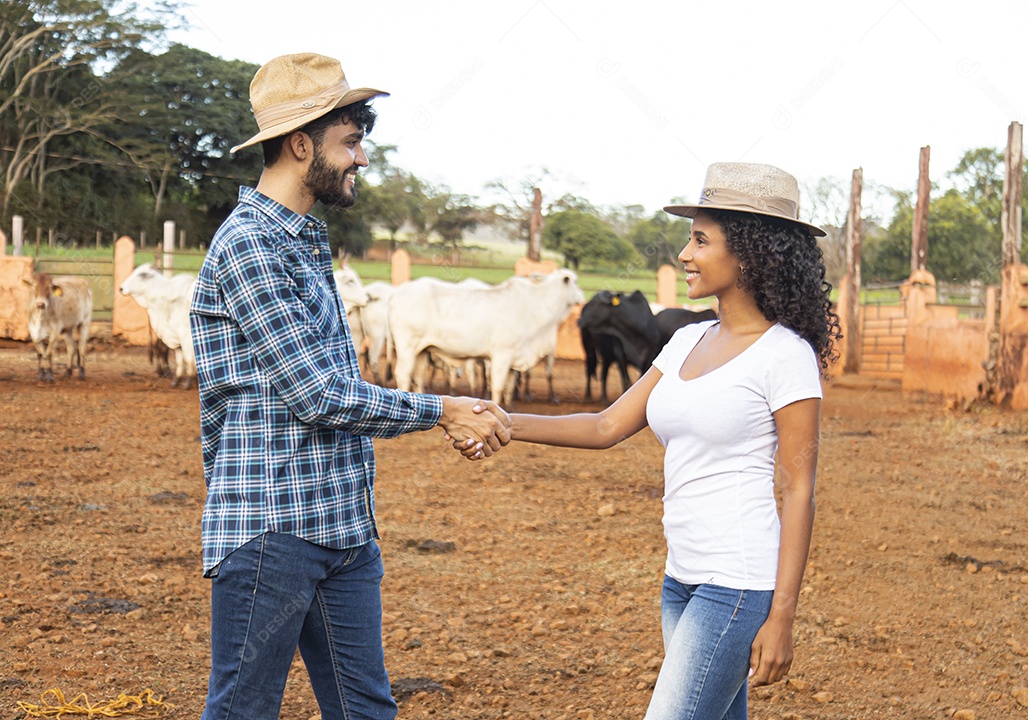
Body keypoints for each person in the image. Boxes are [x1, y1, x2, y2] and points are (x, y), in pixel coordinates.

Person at [189, 53, 510, 720]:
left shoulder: (304, 240)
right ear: (301, 143)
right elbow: (318, 393)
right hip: (271, 528)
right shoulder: (250, 245)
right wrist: (442, 409)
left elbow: (334, 386)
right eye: (351, 142)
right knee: (243, 711)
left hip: (342, 526)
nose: (361, 158)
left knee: (367, 710)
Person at [458, 163, 840, 720]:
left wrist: (782, 615)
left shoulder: (785, 356)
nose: (685, 254)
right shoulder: (686, 340)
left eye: (701, 240)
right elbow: (607, 425)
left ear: (750, 254)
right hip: (679, 579)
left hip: (737, 586)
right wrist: (503, 420)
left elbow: (801, 489)